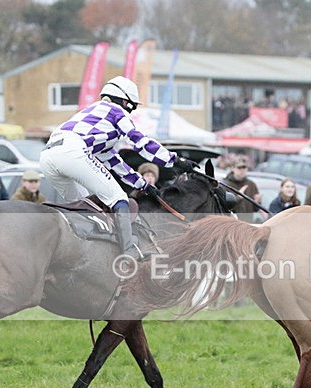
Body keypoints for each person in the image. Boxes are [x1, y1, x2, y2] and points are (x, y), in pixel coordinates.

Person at [39, 75, 196, 258]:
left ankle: (81, 252)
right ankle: (129, 250)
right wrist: (174, 160)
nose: (131, 111)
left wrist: (143, 185)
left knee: (85, 205)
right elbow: (140, 142)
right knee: (118, 198)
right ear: (124, 101)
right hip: (72, 152)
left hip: (47, 157)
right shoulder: (116, 112)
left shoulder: (93, 115)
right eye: (132, 106)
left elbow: (114, 161)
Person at [222, 156, 262, 222]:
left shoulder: (251, 184)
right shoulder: (225, 185)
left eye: (244, 167)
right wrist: (238, 197)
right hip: (232, 223)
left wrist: (257, 202)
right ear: (232, 168)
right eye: (239, 167)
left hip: (248, 223)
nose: (242, 170)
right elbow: (224, 208)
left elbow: (256, 209)